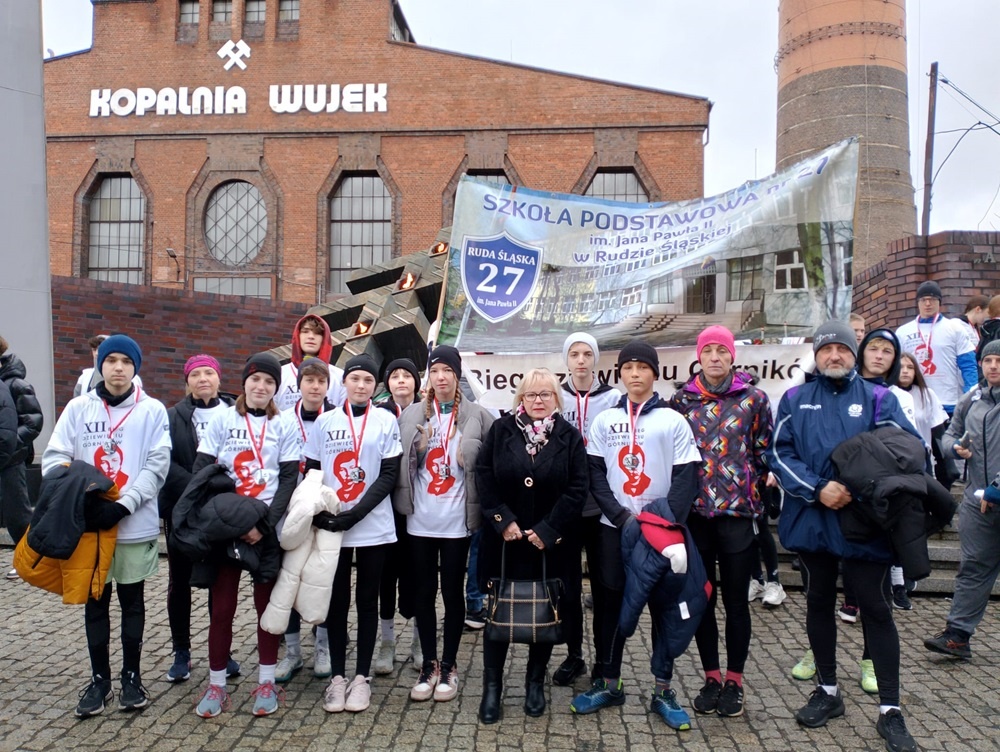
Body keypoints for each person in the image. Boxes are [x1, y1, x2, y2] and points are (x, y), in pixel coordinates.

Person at [768, 319, 922, 752]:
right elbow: (779, 454)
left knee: (875, 608)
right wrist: (818, 488)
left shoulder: (879, 397)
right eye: (826, 349)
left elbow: (906, 451)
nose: (834, 355)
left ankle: (890, 710)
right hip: (814, 521)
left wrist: (856, 488)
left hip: (864, 525)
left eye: (842, 349)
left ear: (853, 355)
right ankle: (829, 690)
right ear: (815, 355)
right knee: (817, 601)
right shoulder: (795, 399)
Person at [570, 342, 701, 731]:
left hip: (660, 534)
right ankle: (610, 683)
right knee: (610, 605)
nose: (636, 374)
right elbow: (594, 473)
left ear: (655, 374)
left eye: (643, 367)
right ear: (620, 374)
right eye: (628, 367)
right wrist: (621, 517)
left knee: (662, 609)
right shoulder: (604, 421)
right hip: (615, 530)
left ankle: (663, 689)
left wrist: (663, 525)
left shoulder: (673, 421)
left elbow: (686, 478)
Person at [41, 335, 171, 718]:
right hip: (90, 526)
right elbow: (54, 458)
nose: (118, 367)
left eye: (126, 362)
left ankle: (131, 677)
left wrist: (124, 505)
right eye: (111, 360)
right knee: (95, 602)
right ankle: (99, 680)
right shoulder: (79, 408)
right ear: (101, 365)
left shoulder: (152, 411)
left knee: (133, 602)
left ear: (135, 368)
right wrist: (85, 498)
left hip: (133, 525)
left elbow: (157, 464)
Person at [669, 325, 772, 717]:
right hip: (696, 517)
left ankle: (735, 680)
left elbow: (763, 452)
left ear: (732, 356)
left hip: (737, 515)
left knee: (736, 602)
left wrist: (755, 492)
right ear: (699, 356)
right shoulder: (681, 401)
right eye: (708, 350)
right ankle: (711, 675)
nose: (715, 357)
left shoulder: (754, 399)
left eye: (721, 351)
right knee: (703, 601)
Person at [190, 352, 299, 718]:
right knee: (222, 610)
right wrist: (223, 521)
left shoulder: (285, 425)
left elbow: (287, 479)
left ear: (275, 389)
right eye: (256, 380)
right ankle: (217, 684)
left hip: (264, 527)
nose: (261, 387)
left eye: (269, 382)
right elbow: (202, 471)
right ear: (244, 383)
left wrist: (263, 525)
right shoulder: (222, 419)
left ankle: (266, 680)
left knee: (266, 609)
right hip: (226, 526)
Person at [475, 368, 588, 723]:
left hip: (550, 545)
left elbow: (577, 487)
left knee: (544, 613)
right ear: (520, 398)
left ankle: (534, 683)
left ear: (557, 399)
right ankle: (491, 688)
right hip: (505, 543)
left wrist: (548, 528)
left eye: (545, 395)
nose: (538, 401)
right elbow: (484, 475)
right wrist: (502, 519)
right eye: (531, 394)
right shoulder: (501, 430)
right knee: (499, 614)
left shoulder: (569, 437)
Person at [395, 345, 494, 703]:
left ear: (457, 375)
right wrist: (417, 452)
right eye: (435, 371)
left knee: (452, 594)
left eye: (447, 371)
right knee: (423, 593)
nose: (441, 377)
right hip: (420, 520)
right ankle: (428, 665)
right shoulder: (409, 415)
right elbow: (396, 466)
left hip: (456, 521)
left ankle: (449, 665)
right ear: (429, 377)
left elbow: (492, 464)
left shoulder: (478, 416)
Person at [306, 354, 402, 713]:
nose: (361, 386)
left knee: (367, 600)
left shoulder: (385, 420)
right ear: (343, 382)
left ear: (375, 386)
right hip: (333, 524)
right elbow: (313, 473)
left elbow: (389, 475)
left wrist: (357, 514)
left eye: (367, 380)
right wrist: (319, 513)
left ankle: (361, 678)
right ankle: (337, 677)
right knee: (336, 599)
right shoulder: (325, 421)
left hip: (373, 525)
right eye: (354, 379)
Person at [158, 355, 239, 683]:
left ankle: (223, 651)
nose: (203, 378)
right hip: (183, 510)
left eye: (209, 372)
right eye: (196, 374)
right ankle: (181, 651)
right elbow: (166, 462)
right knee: (180, 581)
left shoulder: (236, 412)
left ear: (219, 378)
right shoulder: (172, 416)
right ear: (187, 380)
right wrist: (199, 485)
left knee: (220, 583)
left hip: (222, 509)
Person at [924, 340, 1000, 661]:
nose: (993, 366)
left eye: (999, 360)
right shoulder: (972, 398)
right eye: (988, 360)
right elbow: (948, 434)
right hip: (978, 500)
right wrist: (955, 449)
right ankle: (957, 636)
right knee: (972, 568)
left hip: (992, 494)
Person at [554, 332, 621, 686]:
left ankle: (604, 660)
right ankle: (574, 655)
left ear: (595, 359)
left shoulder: (613, 399)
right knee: (567, 588)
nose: (581, 361)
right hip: (565, 508)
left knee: (605, 587)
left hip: (601, 508)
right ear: (566, 360)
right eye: (574, 354)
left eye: (587, 354)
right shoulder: (554, 395)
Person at [274, 358, 336, 683]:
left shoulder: (338, 419)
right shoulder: (282, 420)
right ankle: (293, 652)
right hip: (290, 512)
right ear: (298, 385)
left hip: (323, 511)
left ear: (328, 386)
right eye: (309, 380)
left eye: (320, 381)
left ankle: (322, 648)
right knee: (290, 579)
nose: (314, 387)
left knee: (320, 579)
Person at [895, 281, 977, 487]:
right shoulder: (903, 332)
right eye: (923, 300)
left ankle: (945, 498)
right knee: (914, 452)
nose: (928, 304)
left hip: (948, 401)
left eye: (932, 300)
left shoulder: (954, 328)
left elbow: (968, 364)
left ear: (939, 302)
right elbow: (894, 366)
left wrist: (971, 394)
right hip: (914, 402)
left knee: (944, 457)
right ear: (918, 303)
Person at [375, 357, 421, 674]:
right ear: (388, 383)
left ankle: (420, 641)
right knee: (385, 577)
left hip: (421, 509)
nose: (401, 381)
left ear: (416, 382)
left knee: (419, 576)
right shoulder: (379, 414)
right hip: (385, 508)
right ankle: (387, 642)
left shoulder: (428, 412)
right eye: (395, 376)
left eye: (407, 375)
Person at [0, 336, 43, 574]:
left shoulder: (17, 384)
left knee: (18, 514)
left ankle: (30, 559)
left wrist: (10, 442)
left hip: (13, 459)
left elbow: (34, 422)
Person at [275, 314, 346, 413]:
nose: (311, 336)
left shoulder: (339, 376)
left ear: (324, 338)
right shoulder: (280, 374)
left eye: (317, 333)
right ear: (297, 335)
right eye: (305, 331)